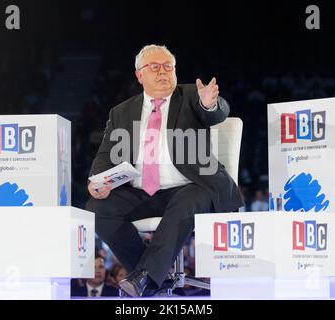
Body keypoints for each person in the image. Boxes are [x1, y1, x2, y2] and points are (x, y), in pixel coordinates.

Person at [86, 44, 243, 297]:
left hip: (190, 188)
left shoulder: (192, 96)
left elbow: (218, 112)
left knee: (190, 199)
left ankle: (146, 278)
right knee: (97, 209)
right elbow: (105, 155)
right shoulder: (121, 111)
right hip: (139, 191)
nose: (163, 72)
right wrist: (96, 182)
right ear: (139, 75)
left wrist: (210, 105)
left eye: (168, 67)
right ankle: (150, 277)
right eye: (155, 67)